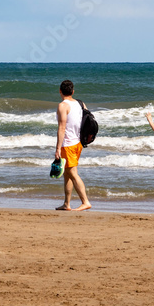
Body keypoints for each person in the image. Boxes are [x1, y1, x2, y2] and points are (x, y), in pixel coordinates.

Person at [55, 80, 91, 211]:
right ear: (73, 91)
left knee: (72, 173)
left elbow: (62, 128)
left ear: (60, 91)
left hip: (68, 144)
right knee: (67, 174)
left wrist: (58, 148)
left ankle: (85, 201)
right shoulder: (80, 103)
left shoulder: (62, 106)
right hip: (78, 143)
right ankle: (67, 204)